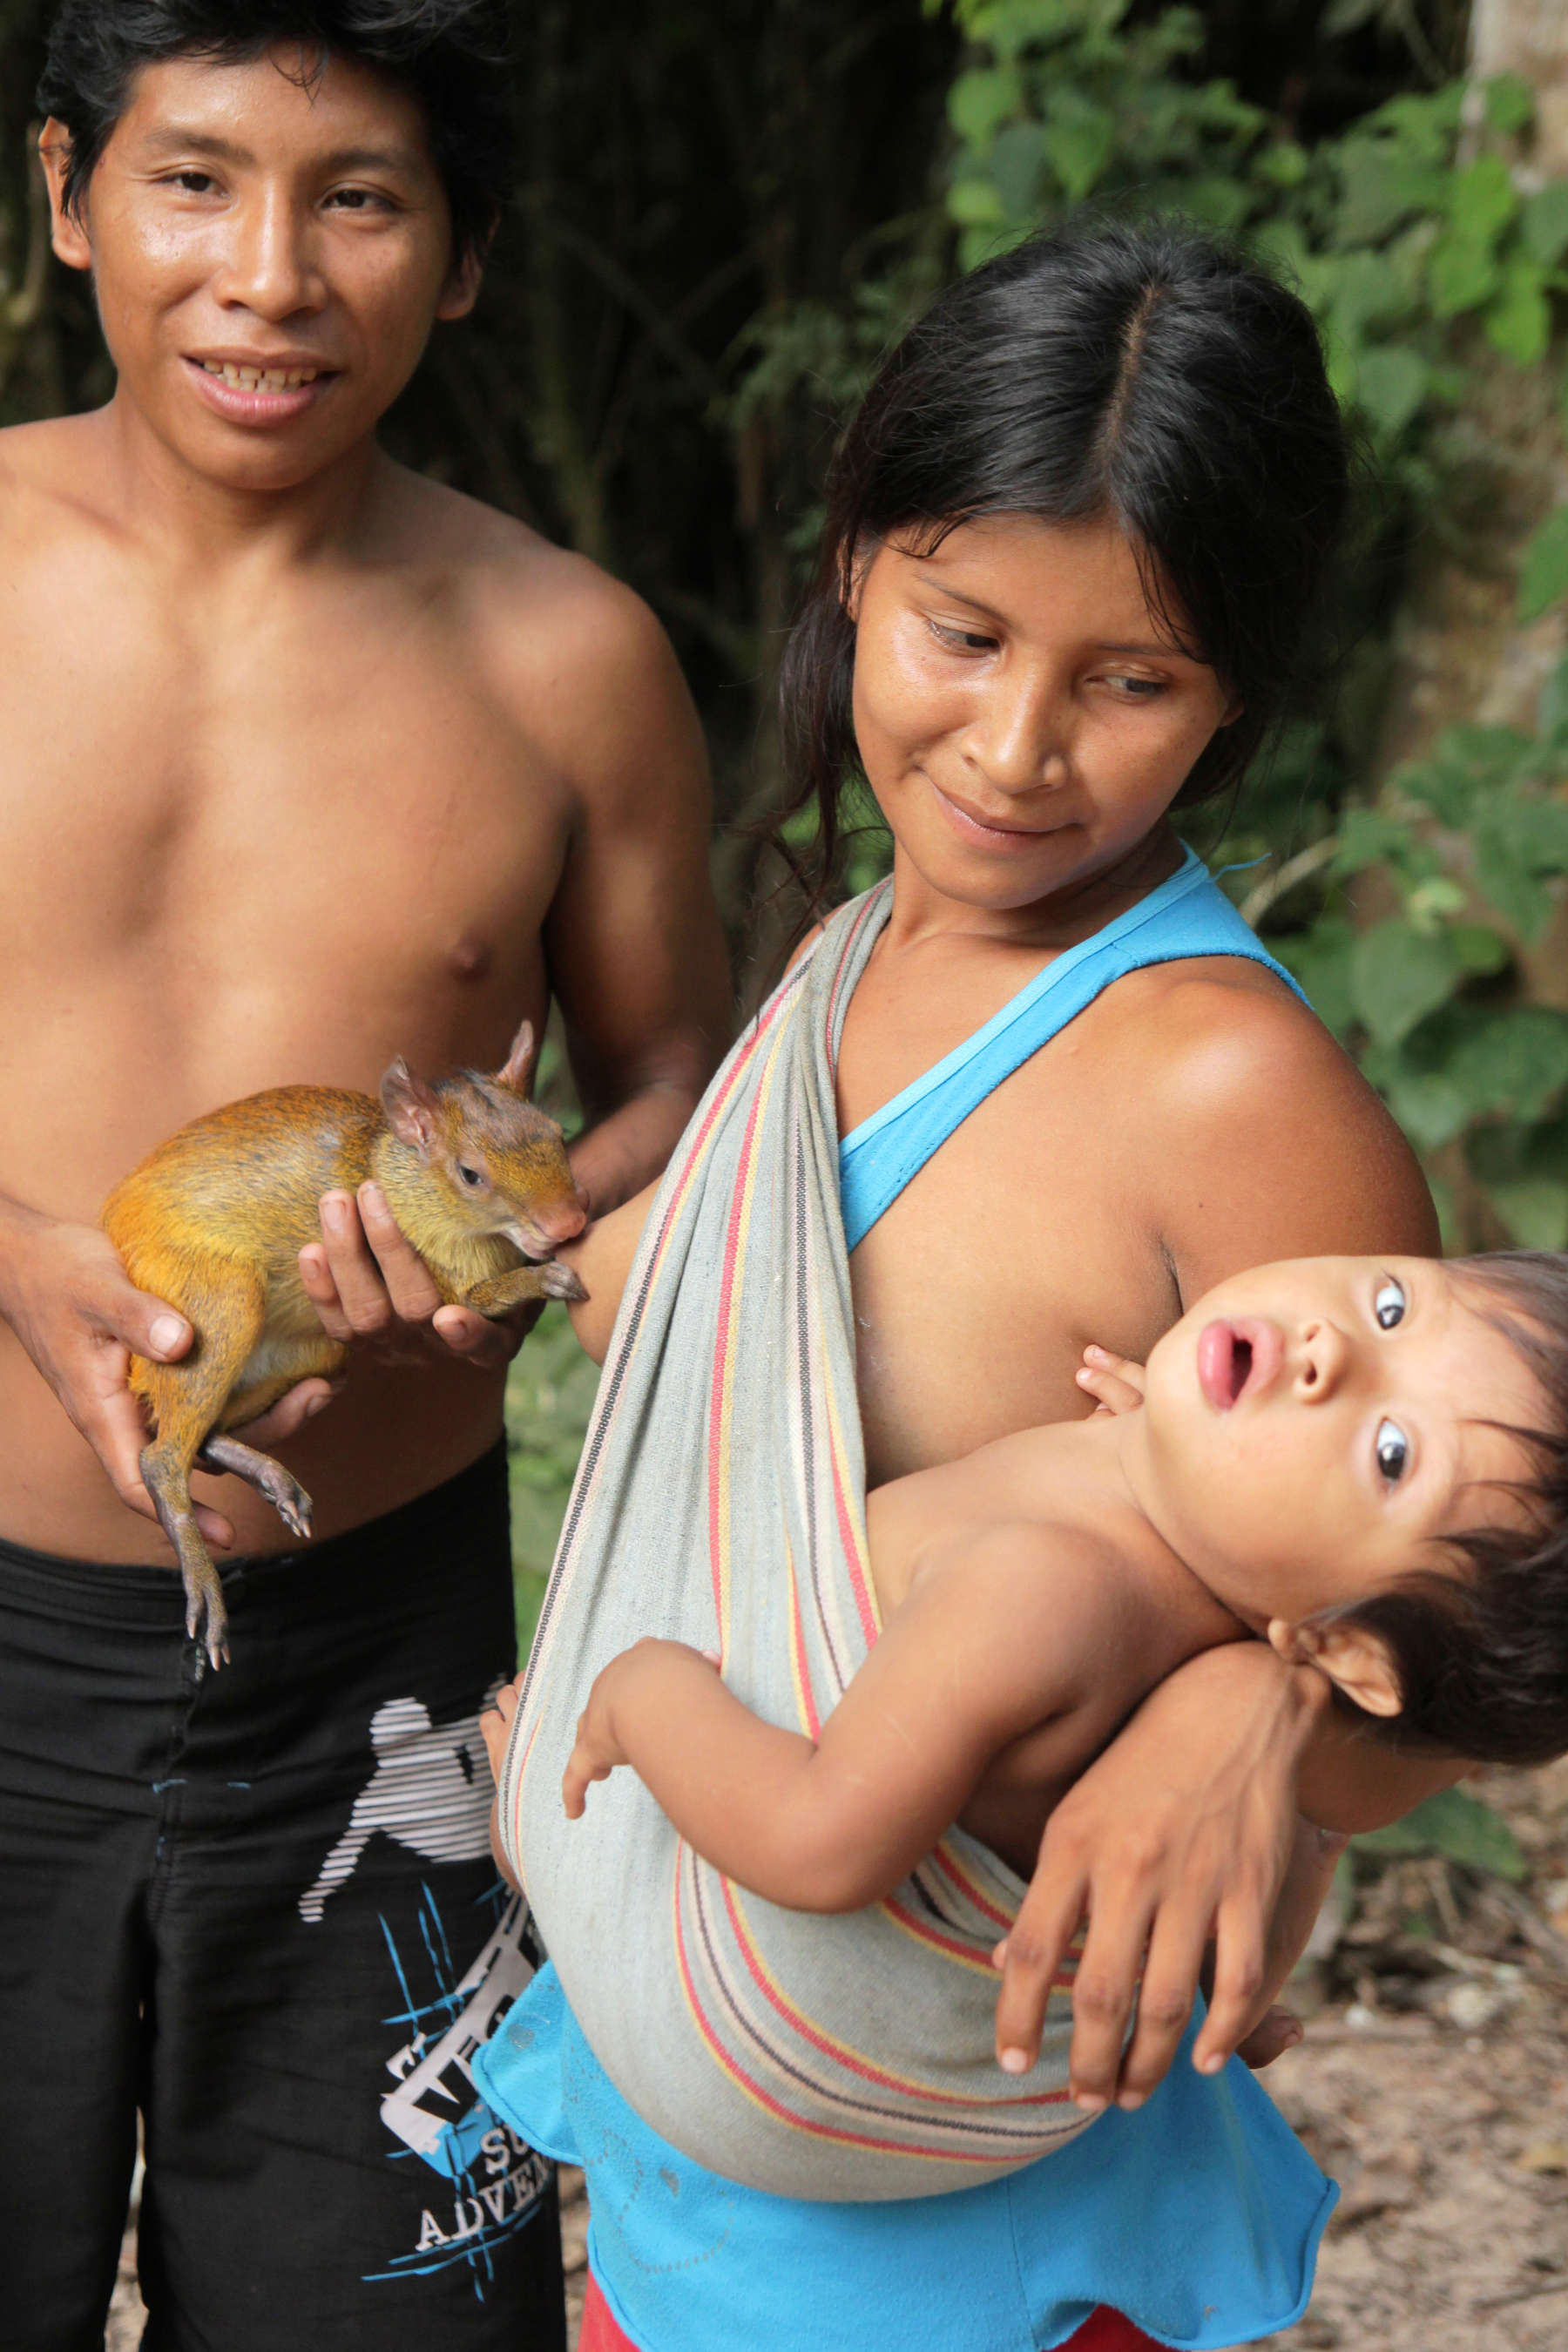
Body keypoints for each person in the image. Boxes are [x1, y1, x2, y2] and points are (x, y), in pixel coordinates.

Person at [468, 221, 1469, 2352]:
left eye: (1133, 681)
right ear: (855, 561)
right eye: (964, 630)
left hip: (988, 2230)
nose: (1018, 747)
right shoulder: (850, 955)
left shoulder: (1228, 1085)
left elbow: (1442, 1613)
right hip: (700, 2183)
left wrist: (1255, 1697)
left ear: (1232, 703)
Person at [0, 7, 728, 2350]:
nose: (271, 275)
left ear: (472, 254)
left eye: (363, 198)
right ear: (64, 196)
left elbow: (671, 1076)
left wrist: (527, 1260)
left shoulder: (567, 655)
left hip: (385, 1689)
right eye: (196, 179)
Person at [551, 1246, 1568, 1933]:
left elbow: (819, 1846)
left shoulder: (1046, 1587)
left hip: (742, 1968)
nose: (1332, 1351)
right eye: (1393, 1306)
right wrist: (1156, 1447)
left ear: (1344, 1650)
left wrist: (643, 1693)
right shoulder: (1185, 1560)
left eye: (1393, 1456)